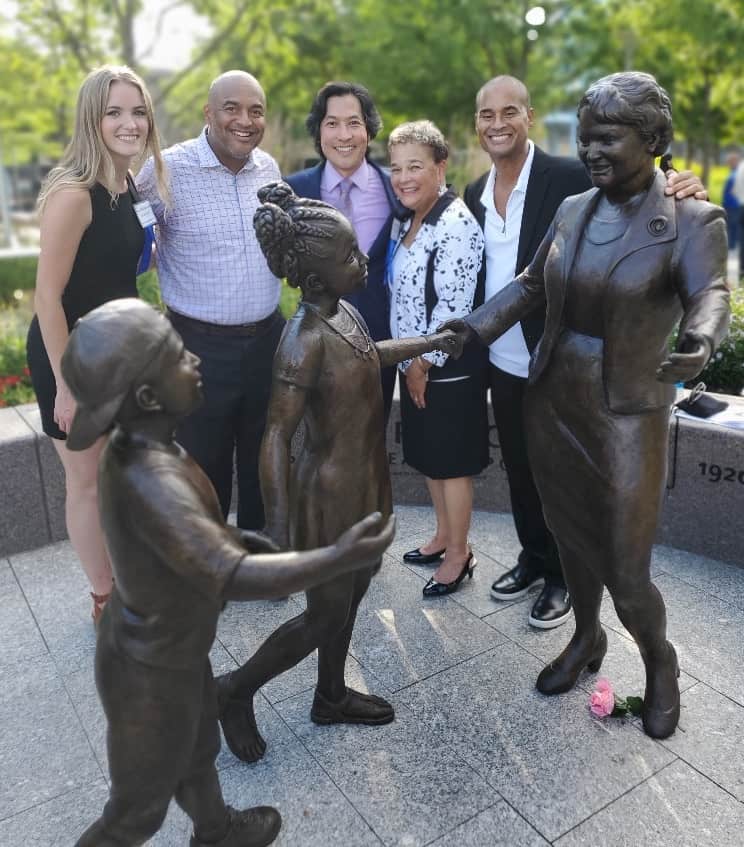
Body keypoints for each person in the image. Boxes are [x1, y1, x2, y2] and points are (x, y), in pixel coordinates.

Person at [444, 72, 729, 740]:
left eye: (609, 138)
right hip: (555, 400)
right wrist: (473, 327)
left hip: (628, 413)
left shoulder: (690, 217)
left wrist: (700, 340)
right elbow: (527, 285)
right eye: (588, 137)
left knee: (628, 570)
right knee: (570, 539)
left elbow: (711, 291)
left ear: (654, 139)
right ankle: (586, 638)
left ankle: (659, 662)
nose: (593, 150)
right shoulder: (574, 209)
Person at [63, 298, 396, 847]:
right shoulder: (151, 481)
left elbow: (194, 543)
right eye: (178, 357)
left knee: (196, 753)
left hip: (173, 652)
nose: (195, 359)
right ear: (147, 396)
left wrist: (242, 538)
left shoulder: (149, 446)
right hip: (148, 673)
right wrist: (339, 556)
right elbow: (231, 574)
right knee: (135, 814)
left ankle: (215, 831)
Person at [216, 182, 461, 763]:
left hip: (367, 483)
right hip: (328, 496)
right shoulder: (301, 342)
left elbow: (371, 354)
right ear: (319, 278)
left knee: (351, 595)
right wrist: (275, 527)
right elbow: (276, 433)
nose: (365, 260)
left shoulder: (344, 313)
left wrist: (430, 341)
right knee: (323, 612)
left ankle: (330, 695)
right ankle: (234, 689)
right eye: (351, 256)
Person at [25, 64, 167, 624]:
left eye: (138, 111)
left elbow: (119, 267)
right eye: (115, 112)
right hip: (73, 358)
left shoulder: (125, 182)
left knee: (115, 475)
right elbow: (46, 298)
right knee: (85, 481)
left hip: (117, 353)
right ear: (93, 118)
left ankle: (126, 577)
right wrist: (66, 383)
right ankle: (104, 599)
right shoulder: (72, 192)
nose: (129, 123)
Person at [136, 70, 284, 531]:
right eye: (232, 108)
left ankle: (265, 554)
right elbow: (133, 238)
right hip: (197, 346)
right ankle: (209, 560)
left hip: (267, 341)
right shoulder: (166, 169)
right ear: (209, 113)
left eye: (255, 110)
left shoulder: (269, 168)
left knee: (266, 453)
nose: (245, 120)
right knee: (203, 460)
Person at [387, 120, 489, 597]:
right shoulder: (408, 217)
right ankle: (443, 535)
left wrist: (422, 366)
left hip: (444, 367)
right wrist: (409, 366)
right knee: (430, 459)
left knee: (451, 464)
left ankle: (459, 554)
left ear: (440, 167)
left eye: (416, 166)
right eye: (396, 168)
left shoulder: (456, 224)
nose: (404, 177)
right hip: (413, 365)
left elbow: (455, 309)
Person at [286, 81, 402, 418]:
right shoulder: (294, 190)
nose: (344, 135)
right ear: (319, 131)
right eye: (332, 123)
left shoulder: (397, 187)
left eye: (354, 123)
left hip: (379, 346)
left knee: (371, 448)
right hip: (314, 345)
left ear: (369, 130)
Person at [722, 151, 740, 251]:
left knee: (733, 226)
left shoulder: (736, 174)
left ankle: (732, 246)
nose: (729, 164)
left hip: (734, 205)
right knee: (730, 226)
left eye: (730, 162)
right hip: (730, 204)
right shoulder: (733, 173)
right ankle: (731, 246)